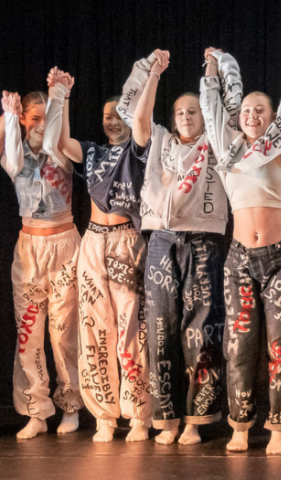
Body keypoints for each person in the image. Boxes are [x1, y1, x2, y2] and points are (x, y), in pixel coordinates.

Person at [199, 32, 281, 454]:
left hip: (280, 259)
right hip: (240, 259)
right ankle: (241, 425)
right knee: (239, 348)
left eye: (260, 109)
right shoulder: (228, 152)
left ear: (270, 117)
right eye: (246, 109)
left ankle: (279, 427)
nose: (251, 114)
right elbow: (212, 113)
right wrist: (211, 71)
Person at [117, 49, 228, 445]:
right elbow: (139, 119)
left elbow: (218, 109)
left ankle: (197, 419)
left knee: (200, 330)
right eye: (180, 111)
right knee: (161, 328)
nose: (185, 116)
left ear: (203, 117)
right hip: (161, 240)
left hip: (202, 240)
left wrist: (212, 69)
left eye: (193, 111)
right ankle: (166, 418)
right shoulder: (161, 140)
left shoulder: (216, 144)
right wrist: (155, 75)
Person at [45, 67, 152, 443]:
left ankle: (139, 414)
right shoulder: (91, 152)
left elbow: (140, 123)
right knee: (94, 328)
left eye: (118, 114)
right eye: (106, 116)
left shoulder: (139, 149)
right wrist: (61, 97)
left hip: (126, 240)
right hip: (93, 240)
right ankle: (104, 415)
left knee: (131, 329)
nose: (111, 121)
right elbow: (59, 142)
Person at [0, 83, 83, 439]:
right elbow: (13, 156)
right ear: (23, 119)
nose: (39, 125)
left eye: (44, 119)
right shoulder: (13, 156)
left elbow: (51, 141)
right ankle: (36, 410)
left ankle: (71, 404)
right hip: (29, 247)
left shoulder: (60, 150)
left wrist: (57, 97)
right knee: (29, 332)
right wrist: (7, 116)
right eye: (33, 119)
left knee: (64, 332)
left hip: (64, 243)